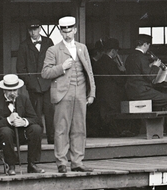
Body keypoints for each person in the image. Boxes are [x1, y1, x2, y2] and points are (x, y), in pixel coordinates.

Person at [41, 15, 97, 173]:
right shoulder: (53, 50)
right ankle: (62, 162)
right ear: (60, 32)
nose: (67, 33)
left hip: (80, 92)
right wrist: (62, 67)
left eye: (70, 30)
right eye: (64, 31)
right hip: (62, 93)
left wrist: (92, 92)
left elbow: (89, 72)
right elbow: (45, 72)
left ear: (75, 30)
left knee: (79, 128)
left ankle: (77, 162)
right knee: (61, 129)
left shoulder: (82, 48)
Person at [123, 34, 167, 135]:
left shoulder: (130, 57)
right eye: (148, 45)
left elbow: (138, 71)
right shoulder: (142, 57)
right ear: (145, 44)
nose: (148, 48)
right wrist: (155, 66)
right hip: (142, 91)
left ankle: (159, 129)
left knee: (160, 100)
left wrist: (150, 66)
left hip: (131, 90)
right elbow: (150, 77)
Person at [0, 73, 43, 175]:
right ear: (4, 90)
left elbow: (35, 119)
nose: (13, 93)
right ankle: (11, 165)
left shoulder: (24, 100)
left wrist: (24, 122)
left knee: (36, 129)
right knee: (6, 131)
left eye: (15, 90)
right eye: (10, 90)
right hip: (5, 137)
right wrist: (8, 120)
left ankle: (32, 164)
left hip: (22, 134)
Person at [16, 22, 55, 145]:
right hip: (33, 87)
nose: (33, 32)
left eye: (35, 29)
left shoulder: (48, 42)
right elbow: (20, 68)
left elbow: (54, 61)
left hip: (47, 84)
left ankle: (52, 138)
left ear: (39, 29)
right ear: (28, 31)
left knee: (50, 111)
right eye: (31, 30)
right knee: (36, 113)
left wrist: (50, 78)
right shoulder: (24, 46)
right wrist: (30, 83)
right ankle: (37, 139)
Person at [93, 37, 128, 136]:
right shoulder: (111, 63)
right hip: (111, 94)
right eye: (116, 51)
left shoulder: (98, 62)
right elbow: (120, 80)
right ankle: (115, 132)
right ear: (113, 51)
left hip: (100, 93)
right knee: (112, 115)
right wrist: (123, 71)